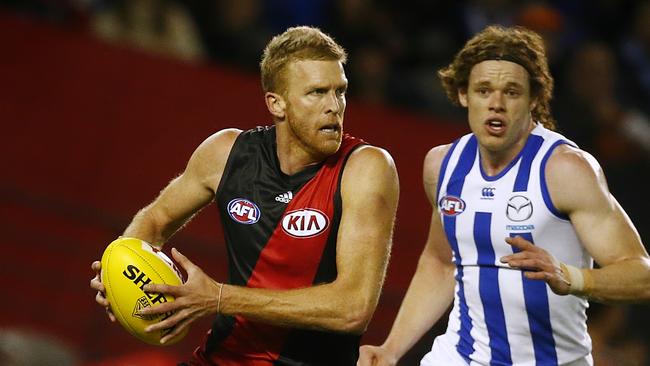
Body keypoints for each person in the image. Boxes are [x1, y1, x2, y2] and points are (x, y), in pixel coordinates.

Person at [90, 26, 399, 365]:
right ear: (276, 103)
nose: (334, 107)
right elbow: (155, 218)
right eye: (317, 92)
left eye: (340, 92)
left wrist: (219, 298)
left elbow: (352, 308)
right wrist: (119, 274)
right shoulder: (227, 153)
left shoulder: (366, 168)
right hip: (223, 357)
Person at [358, 25, 650, 366]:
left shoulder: (566, 169)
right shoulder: (442, 165)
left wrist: (570, 277)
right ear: (463, 95)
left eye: (511, 92)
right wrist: (391, 349)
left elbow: (641, 276)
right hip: (460, 356)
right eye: (484, 90)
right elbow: (441, 261)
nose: (496, 104)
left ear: (534, 99)